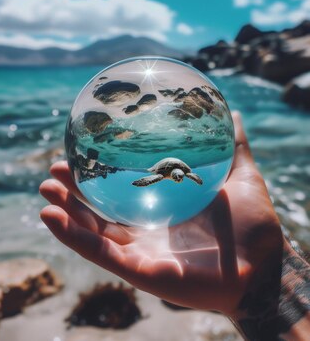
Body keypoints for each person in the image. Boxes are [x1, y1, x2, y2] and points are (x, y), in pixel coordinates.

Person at [40, 112, 310, 340]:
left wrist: (267, 270)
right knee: (149, 180)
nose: (179, 179)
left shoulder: (185, 172)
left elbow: (191, 174)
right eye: (178, 177)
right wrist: (275, 268)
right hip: (159, 168)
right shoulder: (164, 172)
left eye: (181, 177)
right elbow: (155, 178)